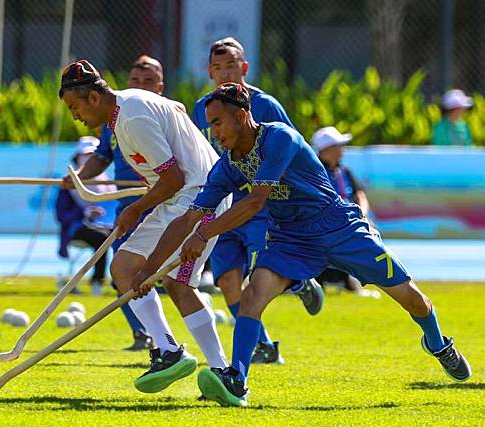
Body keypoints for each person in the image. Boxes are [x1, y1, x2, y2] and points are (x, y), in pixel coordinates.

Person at [131, 84, 471, 407]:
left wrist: (204, 234)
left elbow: (254, 203)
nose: (214, 133)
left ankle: (439, 345)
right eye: (210, 126)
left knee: (412, 299)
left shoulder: (279, 138)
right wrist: (148, 270)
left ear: (241, 116)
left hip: (339, 227)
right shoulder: (229, 163)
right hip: (291, 238)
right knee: (252, 295)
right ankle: (237, 379)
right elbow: (188, 218)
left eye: (218, 123)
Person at [60, 60, 230, 394]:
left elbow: (172, 179)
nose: (75, 116)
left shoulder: (132, 117)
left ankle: (212, 368)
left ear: (94, 98)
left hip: (196, 198)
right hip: (185, 197)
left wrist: (135, 210)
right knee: (127, 268)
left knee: (169, 281)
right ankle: (177, 353)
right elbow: (170, 145)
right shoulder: (127, 111)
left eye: (74, 106)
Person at [191, 37, 323, 364]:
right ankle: (263, 344)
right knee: (226, 280)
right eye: (218, 68)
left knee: (259, 272)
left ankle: (298, 282)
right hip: (223, 207)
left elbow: (291, 150)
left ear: (244, 67)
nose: (225, 73)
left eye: (231, 66)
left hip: (260, 206)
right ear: (209, 72)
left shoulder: (266, 105)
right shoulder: (202, 108)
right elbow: (203, 154)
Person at [65, 55, 179, 351]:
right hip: (129, 206)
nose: (140, 86)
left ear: (161, 87)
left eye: (148, 81)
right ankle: (147, 336)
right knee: (123, 270)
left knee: (174, 279)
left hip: (167, 201)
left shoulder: (163, 114)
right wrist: (80, 177)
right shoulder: (110, 120)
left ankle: (171, 346)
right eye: (135, 81)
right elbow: (102, 157)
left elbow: (175, 173)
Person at [312, 126, 371, 293]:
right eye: (339, 145)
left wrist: (361, 214)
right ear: (327, 149)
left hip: (348, 221)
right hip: (326, 224)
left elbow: (360, 195)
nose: (342, 149)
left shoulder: (344, 171)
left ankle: (352, 282)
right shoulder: (315, 171)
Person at [56, 136, 116, 295]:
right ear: (78, 157)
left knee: (121, 235)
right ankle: (97, 281)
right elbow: (62, 216)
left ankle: (120, 279)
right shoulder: (68, 184)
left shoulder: (107, 183)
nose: (89, 159)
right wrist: (85, 213)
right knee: (102, 239)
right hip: (77, 229)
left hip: (108, 226)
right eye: (86, 156)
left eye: (93, 156)